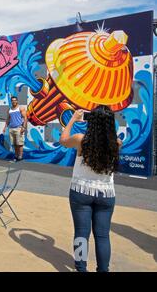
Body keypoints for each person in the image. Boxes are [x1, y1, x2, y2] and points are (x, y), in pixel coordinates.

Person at [59, 106, 122, 272]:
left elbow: (63, 139)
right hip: (106, 193)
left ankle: (81, 268)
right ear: (110, 123)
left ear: (91, 122)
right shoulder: (117, 143)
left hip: (81, 191)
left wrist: (73, 119)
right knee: (102, 236)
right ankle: (103, 269)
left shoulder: (81, 140)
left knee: (81, 233)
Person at [2, 96, 27, 161]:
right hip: (11, 129)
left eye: (15, 100)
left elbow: (25, 118)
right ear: (11, 101)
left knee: (20, 144)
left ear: (17, 101)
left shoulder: (20, 108)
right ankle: (16, 156)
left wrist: (23, 127)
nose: (14, 101)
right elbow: (8, 119)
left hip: (19, 128)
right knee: (14, 144)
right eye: (12, 100)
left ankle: (20, 157)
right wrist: (5, 127)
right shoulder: (9, 110)